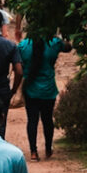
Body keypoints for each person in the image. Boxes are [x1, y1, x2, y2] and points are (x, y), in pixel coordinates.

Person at [14, 31, 69, 161]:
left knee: (32, 120)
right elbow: (68, 47)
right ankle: (48, 149)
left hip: (30, 89)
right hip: (48, 89)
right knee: (47, 120)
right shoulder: (53, 43)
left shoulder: (23, 45)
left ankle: (33, 152)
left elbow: (18, 65)